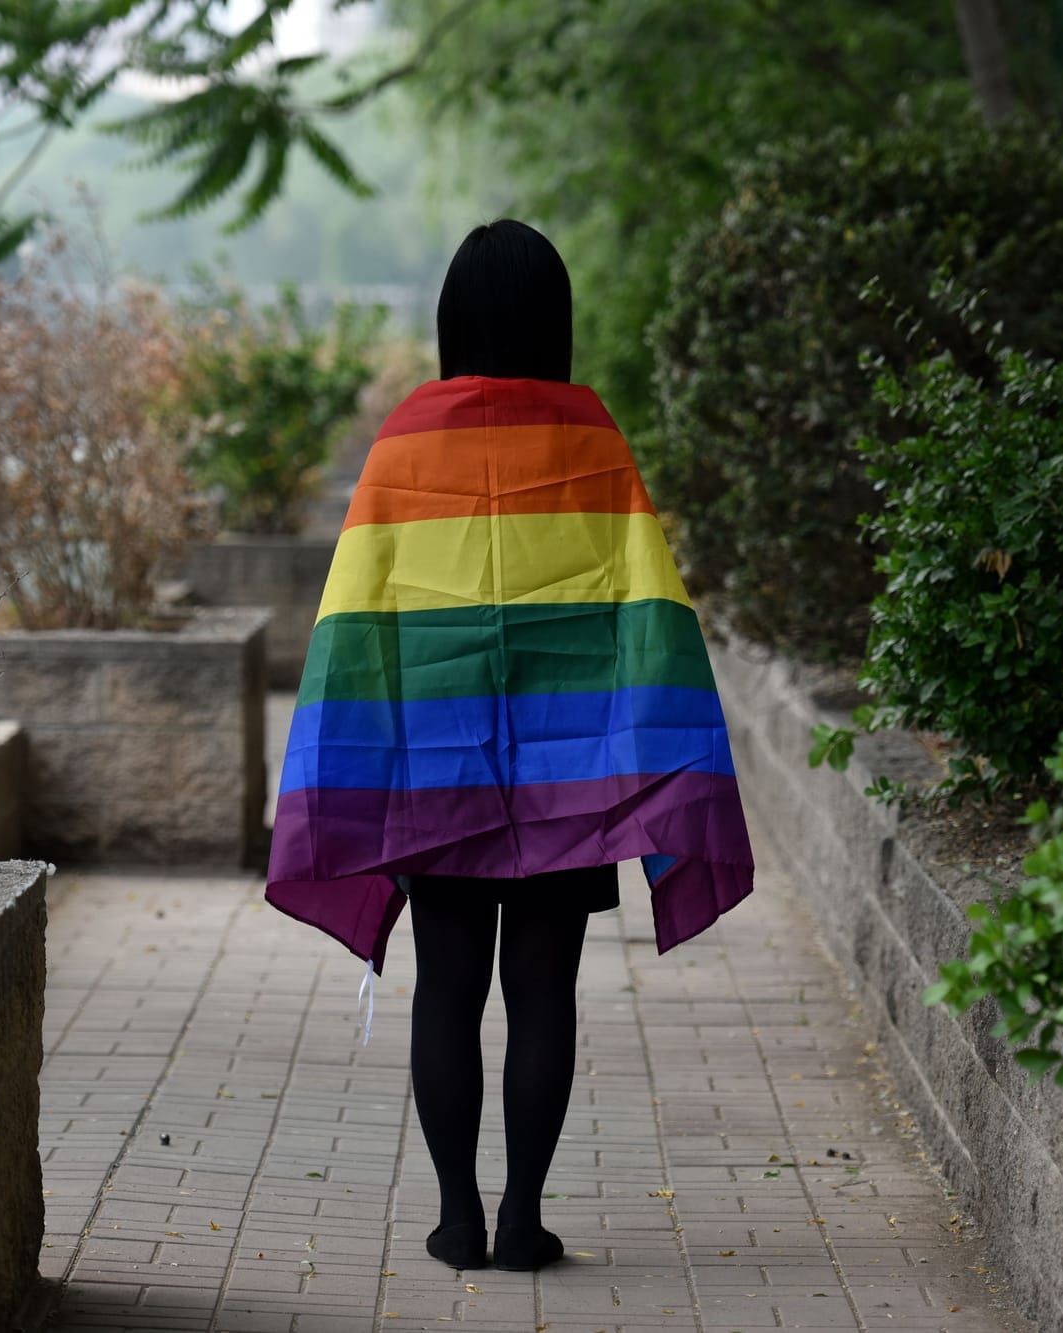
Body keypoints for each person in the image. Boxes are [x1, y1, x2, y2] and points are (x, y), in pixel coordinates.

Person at [266, 219, 756, 1273]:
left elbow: (357, 615)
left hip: (435, 771)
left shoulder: (404, 436)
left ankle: (456, 1218)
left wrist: (347, 763)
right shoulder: (590, 434)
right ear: (554, 321)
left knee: (446, 986)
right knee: (544, 989)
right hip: (569, 772)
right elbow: (641, 604)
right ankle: (524, 1217)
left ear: (451, 321)